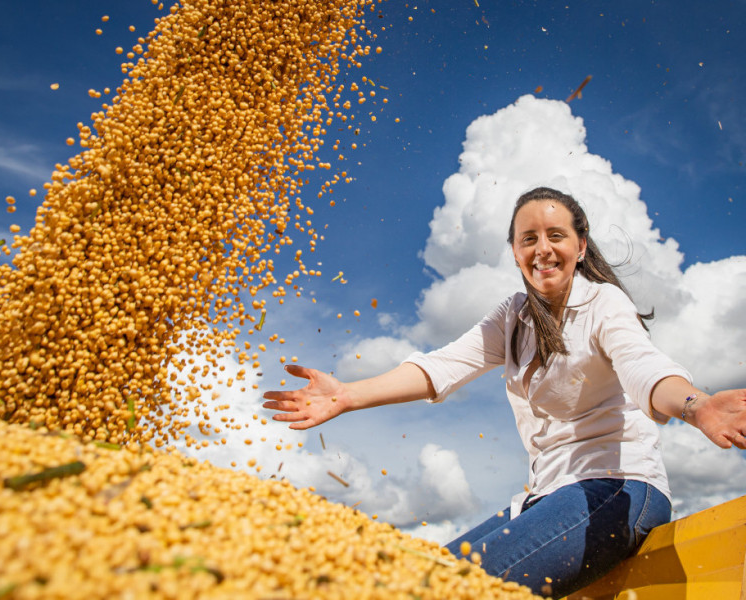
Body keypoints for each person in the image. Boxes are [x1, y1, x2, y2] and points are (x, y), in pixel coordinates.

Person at [262, 187, 746, 598]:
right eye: (528, 238)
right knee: (411, 576)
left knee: (448, 588)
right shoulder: (512, 317)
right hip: (543, 498)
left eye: (556, 236)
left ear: (580, 246)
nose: (542, 249)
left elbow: (643, 367)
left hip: (617, 488)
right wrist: (348, 395)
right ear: (514, 251)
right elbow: (442, 365)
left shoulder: (604, 303)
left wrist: (696, 405)